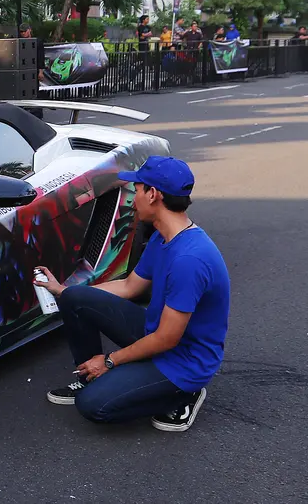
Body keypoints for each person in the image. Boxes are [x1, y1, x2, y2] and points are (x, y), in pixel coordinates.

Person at [38, 156, 228, 432]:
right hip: (157, 332)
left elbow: (167, 339)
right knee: (74, 298)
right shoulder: (164, 236)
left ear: (153, 195)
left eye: (136, 189)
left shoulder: (190, 259)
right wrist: (64, 291)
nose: (132, 196)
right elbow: (130, 286)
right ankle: (90, 375)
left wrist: (110, 361)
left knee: (92, 406)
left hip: (184, 361)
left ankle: (182, 395)